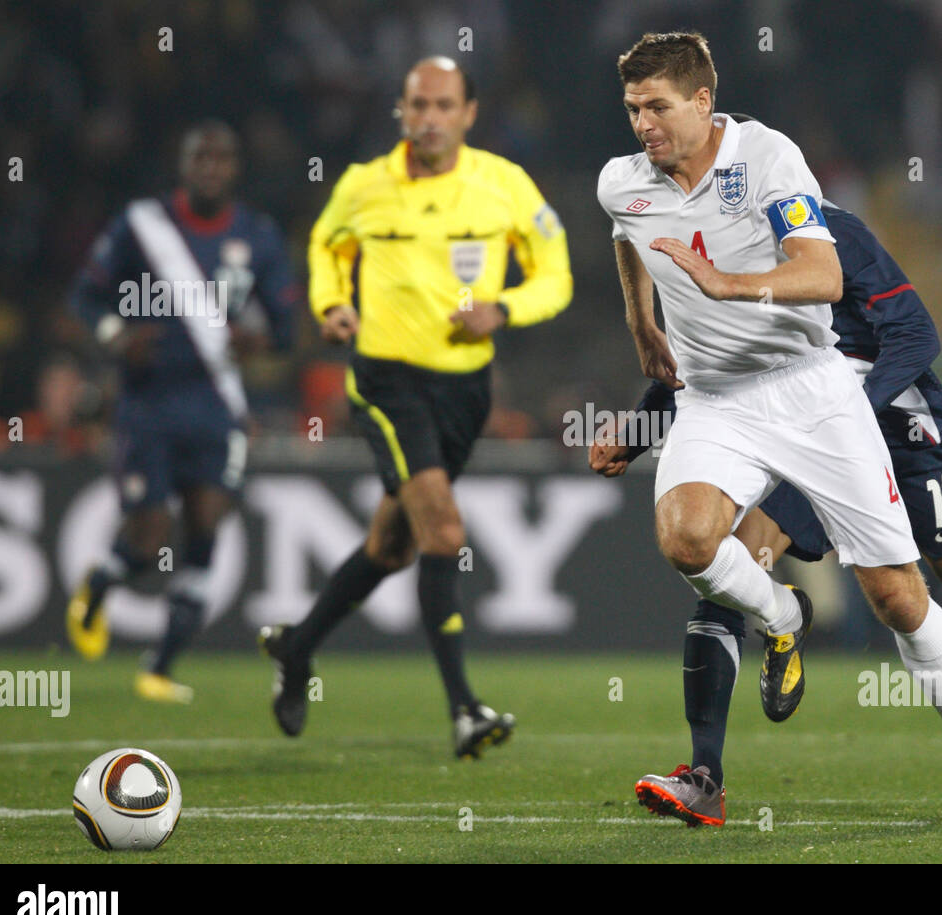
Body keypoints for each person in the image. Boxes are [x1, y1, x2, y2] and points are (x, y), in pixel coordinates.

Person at [595, 33, 942, 826]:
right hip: (717, 405)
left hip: (822, 400)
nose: (642, 124)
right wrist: (640, 328)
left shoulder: (768, 162)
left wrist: (730, 284)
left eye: (656, 107)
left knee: (901, 596)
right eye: (631, 109)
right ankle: (770, 649)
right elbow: (629, 238)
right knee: (690, 541)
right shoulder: (622, 182)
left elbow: (827, 280)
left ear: (702, 102)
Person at [259, 57, 572, 759]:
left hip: (466, 387)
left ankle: (298, 647)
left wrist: (505, 307)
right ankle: (464, 710)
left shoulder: (505, 185)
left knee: (390, 546)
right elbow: (326, 246)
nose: (428, 117)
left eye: (443, 105)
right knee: (443, 529)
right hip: (386, 380)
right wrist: (331, 302)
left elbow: (556, 276)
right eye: (417, 105)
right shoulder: (365, 185)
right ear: (402, 111)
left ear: (469, 113)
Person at [67, 119, 297, 702]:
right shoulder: (143, 226)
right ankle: (100, 582)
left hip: (218, 407)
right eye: (200, 158)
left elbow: (289, 326)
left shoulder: (259, 237)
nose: (211, 168)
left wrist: (261, 341)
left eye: (221, 159)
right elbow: (85, 295)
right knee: (149, 539)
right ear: (184, 164)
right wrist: (118, 332)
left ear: (235, 168)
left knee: (205, 531)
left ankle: (159, 667)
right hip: (148, 403)